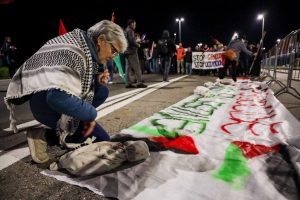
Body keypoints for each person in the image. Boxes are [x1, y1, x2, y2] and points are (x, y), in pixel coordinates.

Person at [4, 20, 128, 164]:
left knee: (101, 92)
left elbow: (82, 83)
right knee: (103, 140)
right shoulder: (75, 51)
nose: (114, 56)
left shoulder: (84, 44)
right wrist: (90, 116)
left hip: (49, 97)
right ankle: (44, 136)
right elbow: (56, 97)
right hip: (44, 101)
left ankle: (57, 132)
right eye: (114, 51)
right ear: (101, 40)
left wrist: (97, 81)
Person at [124, 19, 147, 88]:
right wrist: (138, 45)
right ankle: (139, 82)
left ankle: (128, 83)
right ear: (131, 24)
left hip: (126, 51)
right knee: (137, 66)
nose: (135, 26)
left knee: (128, 67)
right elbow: (131, 41)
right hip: (131, 51)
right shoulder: (130, 30)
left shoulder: (126, 30)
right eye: (134, 24)